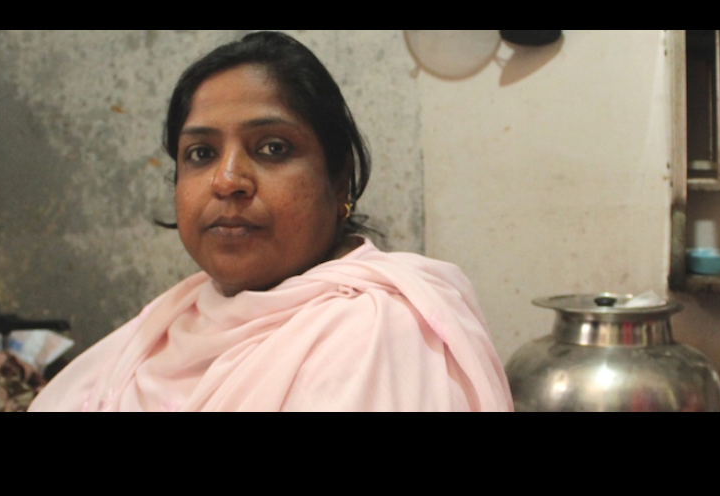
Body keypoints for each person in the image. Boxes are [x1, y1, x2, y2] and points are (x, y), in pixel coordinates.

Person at [29, 31, 513, 412]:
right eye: (201, 153)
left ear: (339, 179)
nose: (228, 180)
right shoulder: (171, 322)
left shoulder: (372, 336)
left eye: (272, 148)